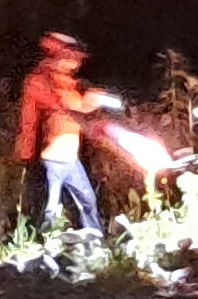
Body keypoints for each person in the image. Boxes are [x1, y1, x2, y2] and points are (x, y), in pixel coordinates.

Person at [12, 31, 124, 244]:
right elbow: (59, 107)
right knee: (50, 206)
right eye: (71, 57)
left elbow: (79, 110)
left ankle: (96, 241)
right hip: (51, 159)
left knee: (87, 199)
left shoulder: (70, 85)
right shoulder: (41, 82)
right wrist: (85, 104)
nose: (75, 63)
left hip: (71, 159)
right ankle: (43, 244)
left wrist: (92, 103)